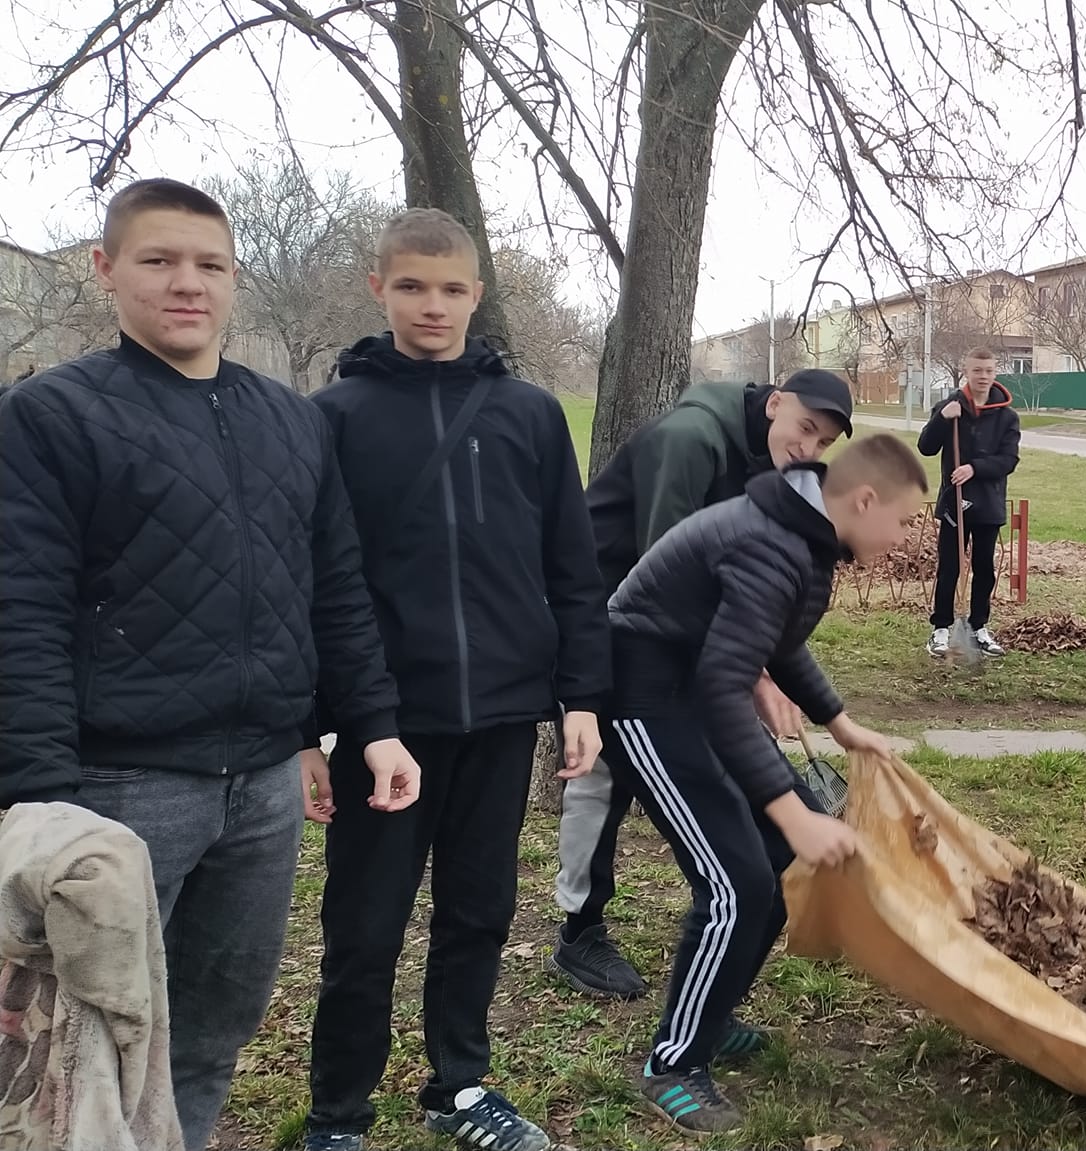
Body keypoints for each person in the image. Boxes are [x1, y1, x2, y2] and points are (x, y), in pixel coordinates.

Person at [0, 177, 421, 1151]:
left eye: (209, 264)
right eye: (158, 260)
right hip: (120, 788)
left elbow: (336, 589)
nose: (186, 282)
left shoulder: (290, 419)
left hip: (264, 784)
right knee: (90, 1040)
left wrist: (375, 725)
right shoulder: (50, 418)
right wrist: (40, 797)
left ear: (235, 279)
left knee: (213, 1030)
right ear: (106, 271)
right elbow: (18, 609)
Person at [298, 209, 612, 1151]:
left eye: (450, 288)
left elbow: (572, 564)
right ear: (378, 288)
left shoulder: (529, 414)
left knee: (479, 910)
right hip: (385, 721)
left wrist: (580, 695)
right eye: (411, 286)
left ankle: (460, 1086)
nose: (431, 306)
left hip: (507, 712)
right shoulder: (333, 418)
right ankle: (337, 1116)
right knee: (365, 928)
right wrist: (310, 730)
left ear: (477, 294)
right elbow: (312, 582)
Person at [603, 434, 924, 1132]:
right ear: (863, 500)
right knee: (736, 883)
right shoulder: (773, 544)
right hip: (647, 700)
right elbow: (726, 687)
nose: (903, 540)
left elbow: (778, 641)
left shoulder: (803, 533)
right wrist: (791, 810)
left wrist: (840, 724)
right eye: (902, 522)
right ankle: (673, 1062)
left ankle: (710, 1021)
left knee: (778, 868)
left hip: (691, 693)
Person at [556, 368, 851, 1000]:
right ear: (774, 404)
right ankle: (579, 930)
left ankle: (728, 903)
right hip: (608, 623)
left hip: (676, 641)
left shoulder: (769, 461)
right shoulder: (691, 439)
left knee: (709, 761)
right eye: (804, 427)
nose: (808, 448)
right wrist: (753, 674)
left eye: (823, 442)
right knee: (603, 776)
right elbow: (663, 557)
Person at [919, 347, 1021, 658]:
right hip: (955, 502)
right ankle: (940, 629)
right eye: (978, 371)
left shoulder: (1006, 416)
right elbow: (926, 447)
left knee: (984, 569)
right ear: (966, 370)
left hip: (988, 502)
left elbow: (1009, 460)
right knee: (949, 567)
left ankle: (979, 627)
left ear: (995, 372)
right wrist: (941, 419)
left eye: (989, 371)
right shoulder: (950, 406)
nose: (983, 377)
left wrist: (974, 468)